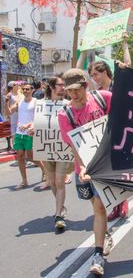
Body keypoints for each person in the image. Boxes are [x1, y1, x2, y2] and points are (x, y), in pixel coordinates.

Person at [58, 69, 113, 276]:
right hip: (86, 167)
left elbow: (127, 104)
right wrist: (81, 168)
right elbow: (74, 144)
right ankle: (104, 233)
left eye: (76, 90)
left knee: (99, 206)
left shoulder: (103, 99)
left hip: (107, 163)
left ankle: (98, 255)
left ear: (85, 86)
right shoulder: (65, 114)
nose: (73, 95)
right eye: (69, 90)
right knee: (96, 206)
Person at [86, 36, 131, 222]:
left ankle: (123, 201)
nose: (94, 78)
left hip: (119, 132)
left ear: (105, 72)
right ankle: (114, 204)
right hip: (101, 136)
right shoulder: (93, 92)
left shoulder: (116, 85)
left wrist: (124, 43)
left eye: (96, 74)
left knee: (118, 170)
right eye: (92, 76)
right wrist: (83, 51)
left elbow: (127, 65)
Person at [42, 76, 74, 230]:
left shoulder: (68, 105)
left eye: (64, 85)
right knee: (53, 182)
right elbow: (39, 123)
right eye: (60, 85)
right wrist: (32, 128)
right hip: (47, 147)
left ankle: (58, 215)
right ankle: (60, 207)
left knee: (60, 182)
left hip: (63, 148)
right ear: (52, 87)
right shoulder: (42, 105)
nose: (63, 87)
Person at [10, 82, 46, 190]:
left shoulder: (36, 102)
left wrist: (29, 125)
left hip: (30, 132)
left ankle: (44, 170)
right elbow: (8, 112)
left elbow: (39, 117)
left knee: (30, 157)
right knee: (20, 156)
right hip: (19, 132)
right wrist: (6, 101)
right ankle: (24, 181)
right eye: (24, 89)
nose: (25, 91)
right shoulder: (19, 101)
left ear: (32, 90)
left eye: (27, 89)